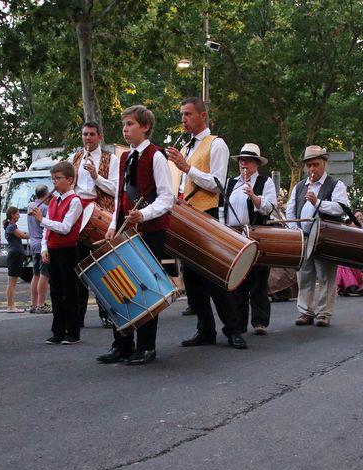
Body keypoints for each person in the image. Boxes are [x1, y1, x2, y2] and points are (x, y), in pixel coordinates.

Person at [165, 97, 246, 349]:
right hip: (189, 215)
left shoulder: (216, 144)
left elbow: (218, 184)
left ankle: (233, 329)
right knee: (192, 279)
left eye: (188, 114)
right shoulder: (188, 147)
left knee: (213, 276)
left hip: (208, 214)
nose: (183, 119)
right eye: (182, 114)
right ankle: (205, 329)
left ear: (203, 116)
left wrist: (186, 167)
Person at [96, 105, 174, 365]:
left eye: (130, 124)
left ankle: (147, 347)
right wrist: (111, 225)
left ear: (145, 127)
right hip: (125, 230)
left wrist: (144, 215)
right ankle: (122, 345)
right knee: (121, 287)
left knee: (145, 289)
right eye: (124, 125)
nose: (125, 129)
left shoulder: (157, 156)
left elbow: (166, 198)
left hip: (151, 231)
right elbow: (119, 196)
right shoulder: (124, 158)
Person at [285, 145, 351, 325]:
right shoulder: (299, 187)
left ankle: (323, 314)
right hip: (304, 236)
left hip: (325, 237)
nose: (312, 169)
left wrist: (318, 202)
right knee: (304, 275)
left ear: (324, 163)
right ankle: (306, 311)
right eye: (309, 166)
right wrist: (294, 232)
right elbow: (290, 212)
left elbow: (341, 208)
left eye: (316, 164)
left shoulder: (335, 184)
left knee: (325, 276)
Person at [222, 143, 277, 334]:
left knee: (258, 279)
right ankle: (239, 322)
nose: (244, 163)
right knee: (237, 280)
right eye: (241, 160)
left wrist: (254, 196)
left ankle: (260, 322)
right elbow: (223, 209)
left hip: (257, 234)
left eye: (248, 160)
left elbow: (269, 208)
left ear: (256, 164)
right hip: (234, 235)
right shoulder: (230, 183)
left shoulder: (265, 182)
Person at [72, 121, 119, 328]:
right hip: (78, 216)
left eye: (91, 134)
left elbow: (116, 190)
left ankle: (106, 313)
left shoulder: (112, 159)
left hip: (100, 216)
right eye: (84, 134)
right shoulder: (74, 158)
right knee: (80, 267)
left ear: (99, 136)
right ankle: (78, 315)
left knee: (102, 267)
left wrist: (95, 176)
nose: (87, 138)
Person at [32, 162, 84, 342]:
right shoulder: (54, 200)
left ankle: (73, 332)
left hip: (68, 250)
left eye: (58, 178)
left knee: (70, 291)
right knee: (55, 291)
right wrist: (44, 248)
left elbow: (65, 228)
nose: (54, 182)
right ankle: (58, 331)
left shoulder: (75, 201)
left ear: (69, 180)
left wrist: (42, 219)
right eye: (53, 179)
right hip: (53, 250)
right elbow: (47, 231)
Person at [26, 185, 51, 314]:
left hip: (32, 243)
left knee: (35, 274)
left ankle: (34, 304)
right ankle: (41, 304)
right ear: (46, 195)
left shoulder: (31, 206)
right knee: (44, 275)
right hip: (42, 245)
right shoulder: (44, 208)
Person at [337, 210, 363, 296]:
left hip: (362, 254)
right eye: (357, 217)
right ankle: (349, 287)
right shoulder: (349, 226)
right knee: (344, 264)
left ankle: (358, 286)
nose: (359, 218)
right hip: (350, 252)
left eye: (361, 216)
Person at [3, 207, 29, 312]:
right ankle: (11, 306)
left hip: (15, 256)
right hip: (14, 256)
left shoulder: (11, 226)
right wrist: (37, 234)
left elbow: (22, 233)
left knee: (12, 283)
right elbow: (22, 235)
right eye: (18, 214)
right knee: (12, 283)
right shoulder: (11, 227)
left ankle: (11, 306)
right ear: (13, 215)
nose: (19, 216)